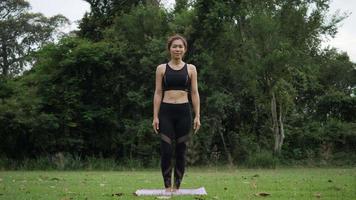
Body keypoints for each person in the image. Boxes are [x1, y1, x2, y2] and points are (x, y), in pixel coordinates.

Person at [152, 34, 201, 192]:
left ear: (185, 49)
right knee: (166, 150)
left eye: (180, 46)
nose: (177, 49)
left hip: (184, 113)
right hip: (166, 112)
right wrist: (155, 116)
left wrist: (197, 116)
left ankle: (177, 187)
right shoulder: (161, 69)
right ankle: (167, 186)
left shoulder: (191, 69)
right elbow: (158, 93)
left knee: (181, 150)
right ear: (169, 49)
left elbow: (194, 93)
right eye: (175, 46)